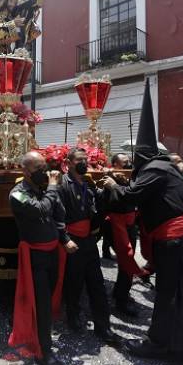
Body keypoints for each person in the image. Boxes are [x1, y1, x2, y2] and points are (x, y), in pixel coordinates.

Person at [103, 79, 183, 358]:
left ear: (141, 156)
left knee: (170, 292)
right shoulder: (167, 168)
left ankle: (159, 344)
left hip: (175, 241)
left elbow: (130, 197)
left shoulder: (153, 169)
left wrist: (110, 186)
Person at [8, 151, 75, 365]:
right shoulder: (17, 194)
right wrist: (53, 188)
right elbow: (41, 210)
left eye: (44, 167)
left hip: (52, 252)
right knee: (42, 305)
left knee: (52, 297)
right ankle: (43, 352)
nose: (44, 172)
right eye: (38, 169)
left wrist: (64, 238)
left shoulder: (45, 189)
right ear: (25, 171)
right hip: (34, 257)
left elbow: (58, 216)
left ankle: (43, 339)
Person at [57, 147, 121, 345]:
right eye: (79, 160)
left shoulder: (87, 183)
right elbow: (55, 214)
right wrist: (64, 238)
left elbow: (96, 207)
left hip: (88, 241)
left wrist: (110, 187)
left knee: (97, 284)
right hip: (72, 241)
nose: (84, 163)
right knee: (74, 283)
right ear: (68, 163)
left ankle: (104, 326)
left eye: (86, 159)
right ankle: (73, 316)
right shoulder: (61, 184)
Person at [102, 152, 150, 316]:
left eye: (129, 162)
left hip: (130, 224)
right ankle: (121, 301)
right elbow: (111, 201)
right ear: (115, 164)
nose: (128, 165)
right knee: (125, 260)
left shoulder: (133, 178)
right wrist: (118, 186)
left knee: (127, 260)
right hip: (115, 224)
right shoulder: (108, 179)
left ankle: (120, 292)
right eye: (124, 163)